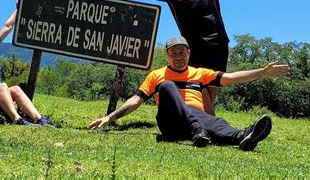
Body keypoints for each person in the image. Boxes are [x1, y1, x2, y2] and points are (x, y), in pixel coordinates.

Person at [102, 0, 281, 115]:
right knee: (197, 84)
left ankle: (207, 119)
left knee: (213, 84)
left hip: (217, 43)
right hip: (191, 47)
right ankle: (206, 119)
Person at [88, 36, 289, 151]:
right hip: (171, 123)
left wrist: (262, 72)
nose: (178, 57)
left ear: (189, 53)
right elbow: (136, 99)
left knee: (214, 121)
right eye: (173, 53)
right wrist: (110, 117)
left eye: (182, 52)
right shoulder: (157, 75)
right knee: (167, 86)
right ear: (167, 55)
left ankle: (243, 137)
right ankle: (197, 128)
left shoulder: (200, 74)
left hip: (199, 122)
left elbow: (231, 77)